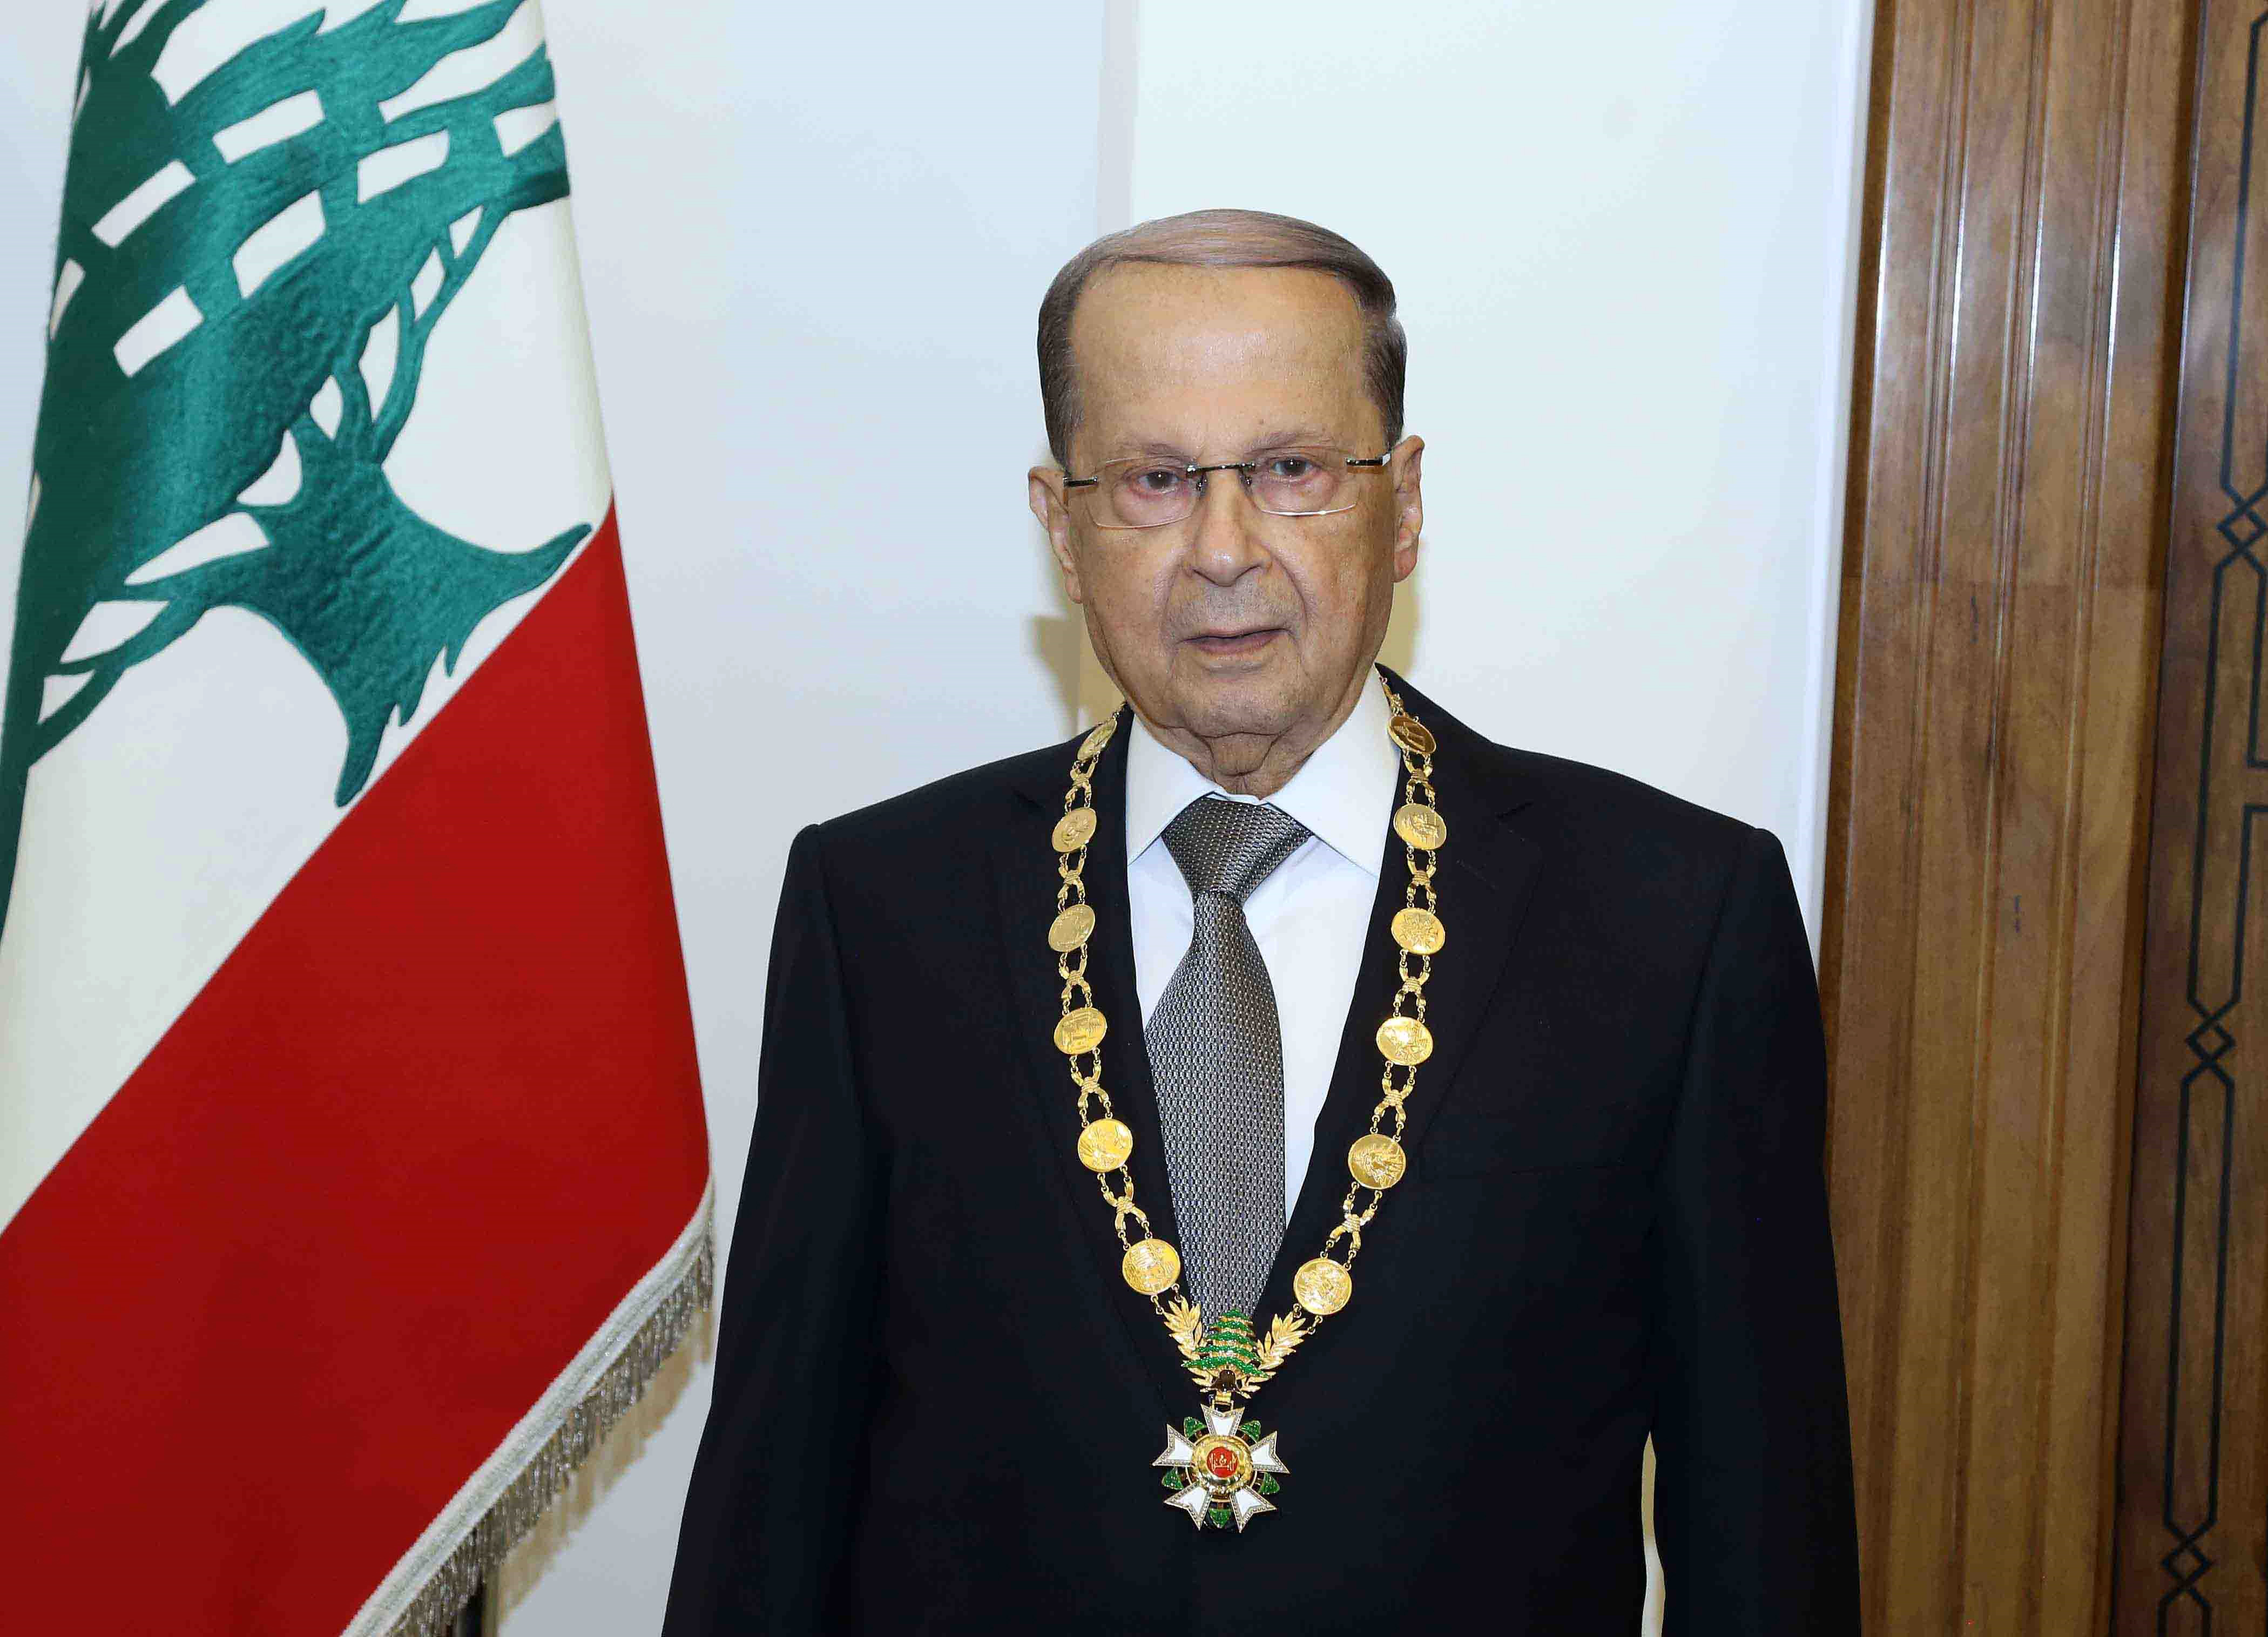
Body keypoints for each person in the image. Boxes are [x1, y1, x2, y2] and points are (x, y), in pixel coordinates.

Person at [662, 208, 1859, 1634]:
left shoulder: (1673, 925)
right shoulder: (882, 916)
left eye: (1293, 470)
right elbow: (768, 1519)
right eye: (1156, 480)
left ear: (1402, 503)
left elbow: (1765, 1541)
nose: (1224, 550)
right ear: (1061, 522)